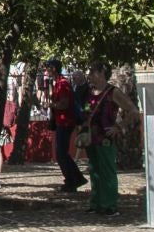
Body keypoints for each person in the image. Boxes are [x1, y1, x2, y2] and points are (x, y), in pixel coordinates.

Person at [81, 64, 135, 216]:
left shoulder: (113, 92)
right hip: (91, 137)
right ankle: (96, 203)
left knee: (107, 171)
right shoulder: (90, 92)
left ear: (102, 73)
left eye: (92, 71)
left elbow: (133, 111)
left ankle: (110, 205)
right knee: (94, 170)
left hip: (105, 137)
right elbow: (86, 110)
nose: (89, 74)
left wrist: (118, 127)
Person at [47, 60, 87, 192]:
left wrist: (52, 105)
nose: (46, 71)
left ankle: (72, 179)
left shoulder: (62, 84)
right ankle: (75, 177)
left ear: (54, 69)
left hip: (65, 122)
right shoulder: (58, 83)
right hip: (62, 121)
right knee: (62, 153)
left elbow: (64, 103)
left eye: (48, 68)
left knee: (61, 153)